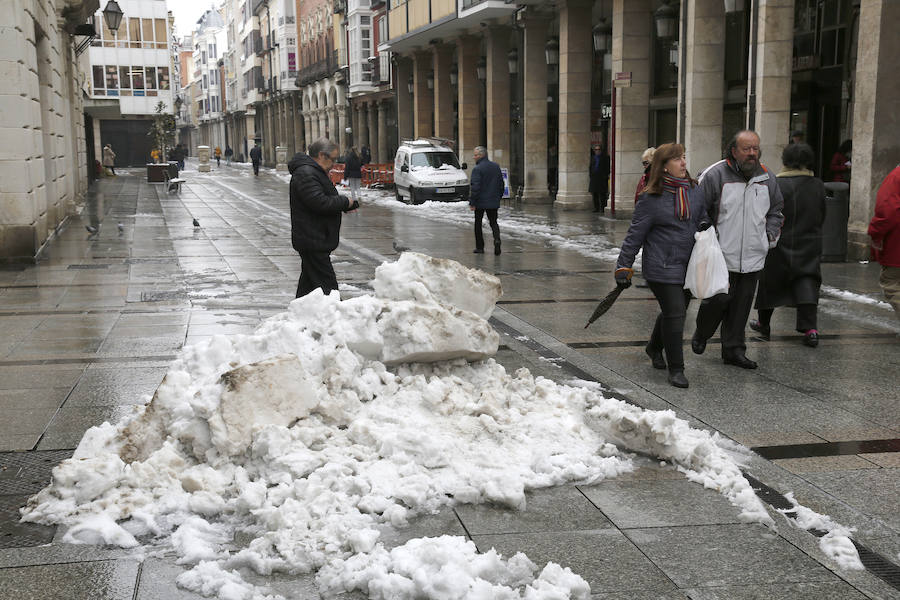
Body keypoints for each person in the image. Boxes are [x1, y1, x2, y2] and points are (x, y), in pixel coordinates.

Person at [615, 143, 709, 388]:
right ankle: (676, 369)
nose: (684, 163)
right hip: (661, 265)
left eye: (684, 157)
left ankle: (654, 347)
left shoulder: (694, 190)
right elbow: (635, 235)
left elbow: (703, 217)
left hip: (689, 265)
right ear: (664, 166)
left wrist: (704, 226)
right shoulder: (651, 197)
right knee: (676, 313)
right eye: (677, 159)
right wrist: (623, 266)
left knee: (673, 312)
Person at [691, 130, 784, 369]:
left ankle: (734, 350)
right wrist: (706, 238)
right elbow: (697, 210)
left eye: (755, 148)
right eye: (746, 149)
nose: (752, 153)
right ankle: (703, 332)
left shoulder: (767, 177)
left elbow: (776, 211)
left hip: (753, 254)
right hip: (721, 254)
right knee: (717, 300)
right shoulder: (714, 175)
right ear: (734, 150)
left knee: (741, 306)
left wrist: (769, 236)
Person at [750, 143, 826, 347]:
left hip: (779, 242)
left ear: (785, 160)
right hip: (808, 242)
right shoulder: (817, 185)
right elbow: (822, 214)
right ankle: (810, 329)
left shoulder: (775, 184)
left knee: (770, 283)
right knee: (807, 281)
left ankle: (763, 324)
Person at [289, 138, 359, 298]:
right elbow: (319, 202)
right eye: (332, 159)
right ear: (321, 155)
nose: (334, 164)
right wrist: (343, 202)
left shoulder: (311, 172)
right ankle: (337, 317)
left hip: (314, 238)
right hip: (313, 239)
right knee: (328, 288)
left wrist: (346, 205)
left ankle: (298, 315)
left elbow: (320, 200)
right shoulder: (306, 173)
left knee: (309, 287)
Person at [868, 163, 900, 322]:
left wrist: (875, 233)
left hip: (897, 242)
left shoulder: (896, 176)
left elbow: (886, 211)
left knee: (892, 284)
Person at [469, 146, 504, 255]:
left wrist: (472, 202)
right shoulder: (495, 166)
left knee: (478, 223)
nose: (474, 157)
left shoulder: (477, 169)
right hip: (493, 200)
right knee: (493, 222)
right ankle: (497, 239)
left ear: (481, 156)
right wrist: (498, 197)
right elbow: (501, 184)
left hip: (480, 201)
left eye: (475, 155)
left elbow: (475, 187)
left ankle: (480, 247)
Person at [589, 143, 611, 213]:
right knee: (594, 194)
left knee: (602, 194)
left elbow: (607, 168)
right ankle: (596, 208)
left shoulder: (605, 157)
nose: (597, 151)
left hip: (602, 178)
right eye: (596, 150)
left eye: (598, 149)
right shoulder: (593, 158)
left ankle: (602, 208)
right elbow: (590, 167)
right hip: (594, 178)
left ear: (601, 150)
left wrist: (605, 175)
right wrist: (591, 175)